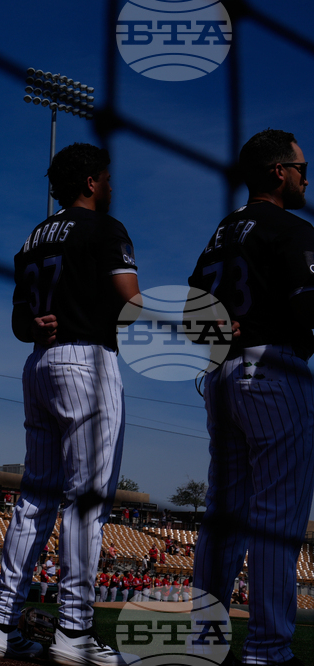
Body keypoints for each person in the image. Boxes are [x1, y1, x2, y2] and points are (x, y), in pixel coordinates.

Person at [0, 143, 139, 665]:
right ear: (91, 182)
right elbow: (130, 301)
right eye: (108, 179)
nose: (113, 187)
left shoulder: (32, 236)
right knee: (85, 502)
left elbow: (19, 323)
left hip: (40, 361)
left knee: (35, 498)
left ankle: (1, 624)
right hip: (86, 363)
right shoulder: (104, 228)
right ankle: (73, 630)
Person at [189, 128, 313, 666]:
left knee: (225, 515)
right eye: (300, 167)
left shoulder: (221, 233)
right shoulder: (290, 227)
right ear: (277, 173)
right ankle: (266, 648)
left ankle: (204, 642)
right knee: (276, 519)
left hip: (221, 376)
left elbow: (193, 320)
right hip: (274, 372)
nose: (306, 176)